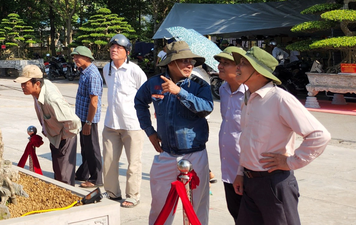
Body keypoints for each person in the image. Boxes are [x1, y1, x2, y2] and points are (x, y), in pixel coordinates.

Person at [232, 48, 331, 225]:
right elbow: (246, 140)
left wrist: (291, 162)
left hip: (274, 183)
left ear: (258, 71)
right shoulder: (248, 98)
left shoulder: (280, 98)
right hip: (250, 182)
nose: (237, 67)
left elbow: (320, 135)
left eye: (243, 63)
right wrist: (241, 172)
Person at [135, 41, 213, 225]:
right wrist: (149, 131)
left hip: (195, 153)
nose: (189, 65)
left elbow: (207, 107)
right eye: (183, 60)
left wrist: (179, 92)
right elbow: (139, 101)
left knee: (197, 207)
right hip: (167, 154)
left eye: (191, 61)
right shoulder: (154, 83)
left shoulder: (200, 85)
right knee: (160, 206)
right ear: (170, 63)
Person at [14, 64, 80, 185]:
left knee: (64, 178)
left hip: (65, 136)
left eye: (25, 83)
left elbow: (74, 122)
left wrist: (62, 136)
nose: (22, 87)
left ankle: (68, 201)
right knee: (58, 172)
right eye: (21, 83)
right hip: (54, 134)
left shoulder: (51, 99)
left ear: (37, 83)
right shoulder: (38, 90)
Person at [101, 34, 147, 208]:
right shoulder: (107, 68)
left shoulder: (135, 71)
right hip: (111, 123)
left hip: (132, 124)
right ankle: (112, 193)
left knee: (133, 162)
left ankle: (133, 195)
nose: (114, 49)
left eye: (118, 47)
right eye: (112, 47)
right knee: (109, 161)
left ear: (127, 52)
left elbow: (145, 93)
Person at [214, 46, 247, 221]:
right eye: (220, 62)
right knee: (235, 212)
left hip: (248, 170)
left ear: (240, 67)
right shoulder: (223, 90)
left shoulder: (251, 94)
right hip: (228, 166)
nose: (220, 66)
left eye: (226, 63)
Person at [71, 45, 103, 188]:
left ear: (87, 58)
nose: (75, 59)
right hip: (83, 117)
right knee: (85, 148)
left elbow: (94, 101)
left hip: (89, 119)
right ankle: (83, 173)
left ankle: (97, 178)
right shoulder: (84, 72)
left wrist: (88, 123)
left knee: (92, 148)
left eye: (77, 56)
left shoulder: (92, 75)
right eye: (74, 57)